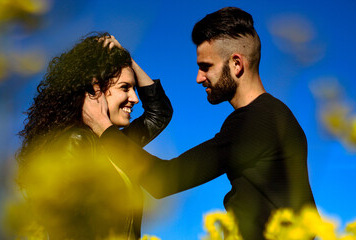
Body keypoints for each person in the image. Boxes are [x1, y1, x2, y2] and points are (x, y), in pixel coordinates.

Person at [82, 7, 316, 240]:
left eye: (206, 67)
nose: (198, 78)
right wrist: (127, 60)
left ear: (237, 64)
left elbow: (164, 180)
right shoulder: (273, 115)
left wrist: (103, 127)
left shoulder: (256, 121)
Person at [16, 32, 173, 240]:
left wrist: (128, 60)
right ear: (94, 90)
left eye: (133, 88)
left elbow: (159, 112)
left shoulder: (116, 143)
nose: (134, 98)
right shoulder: (75, 143)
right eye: (125, 88)